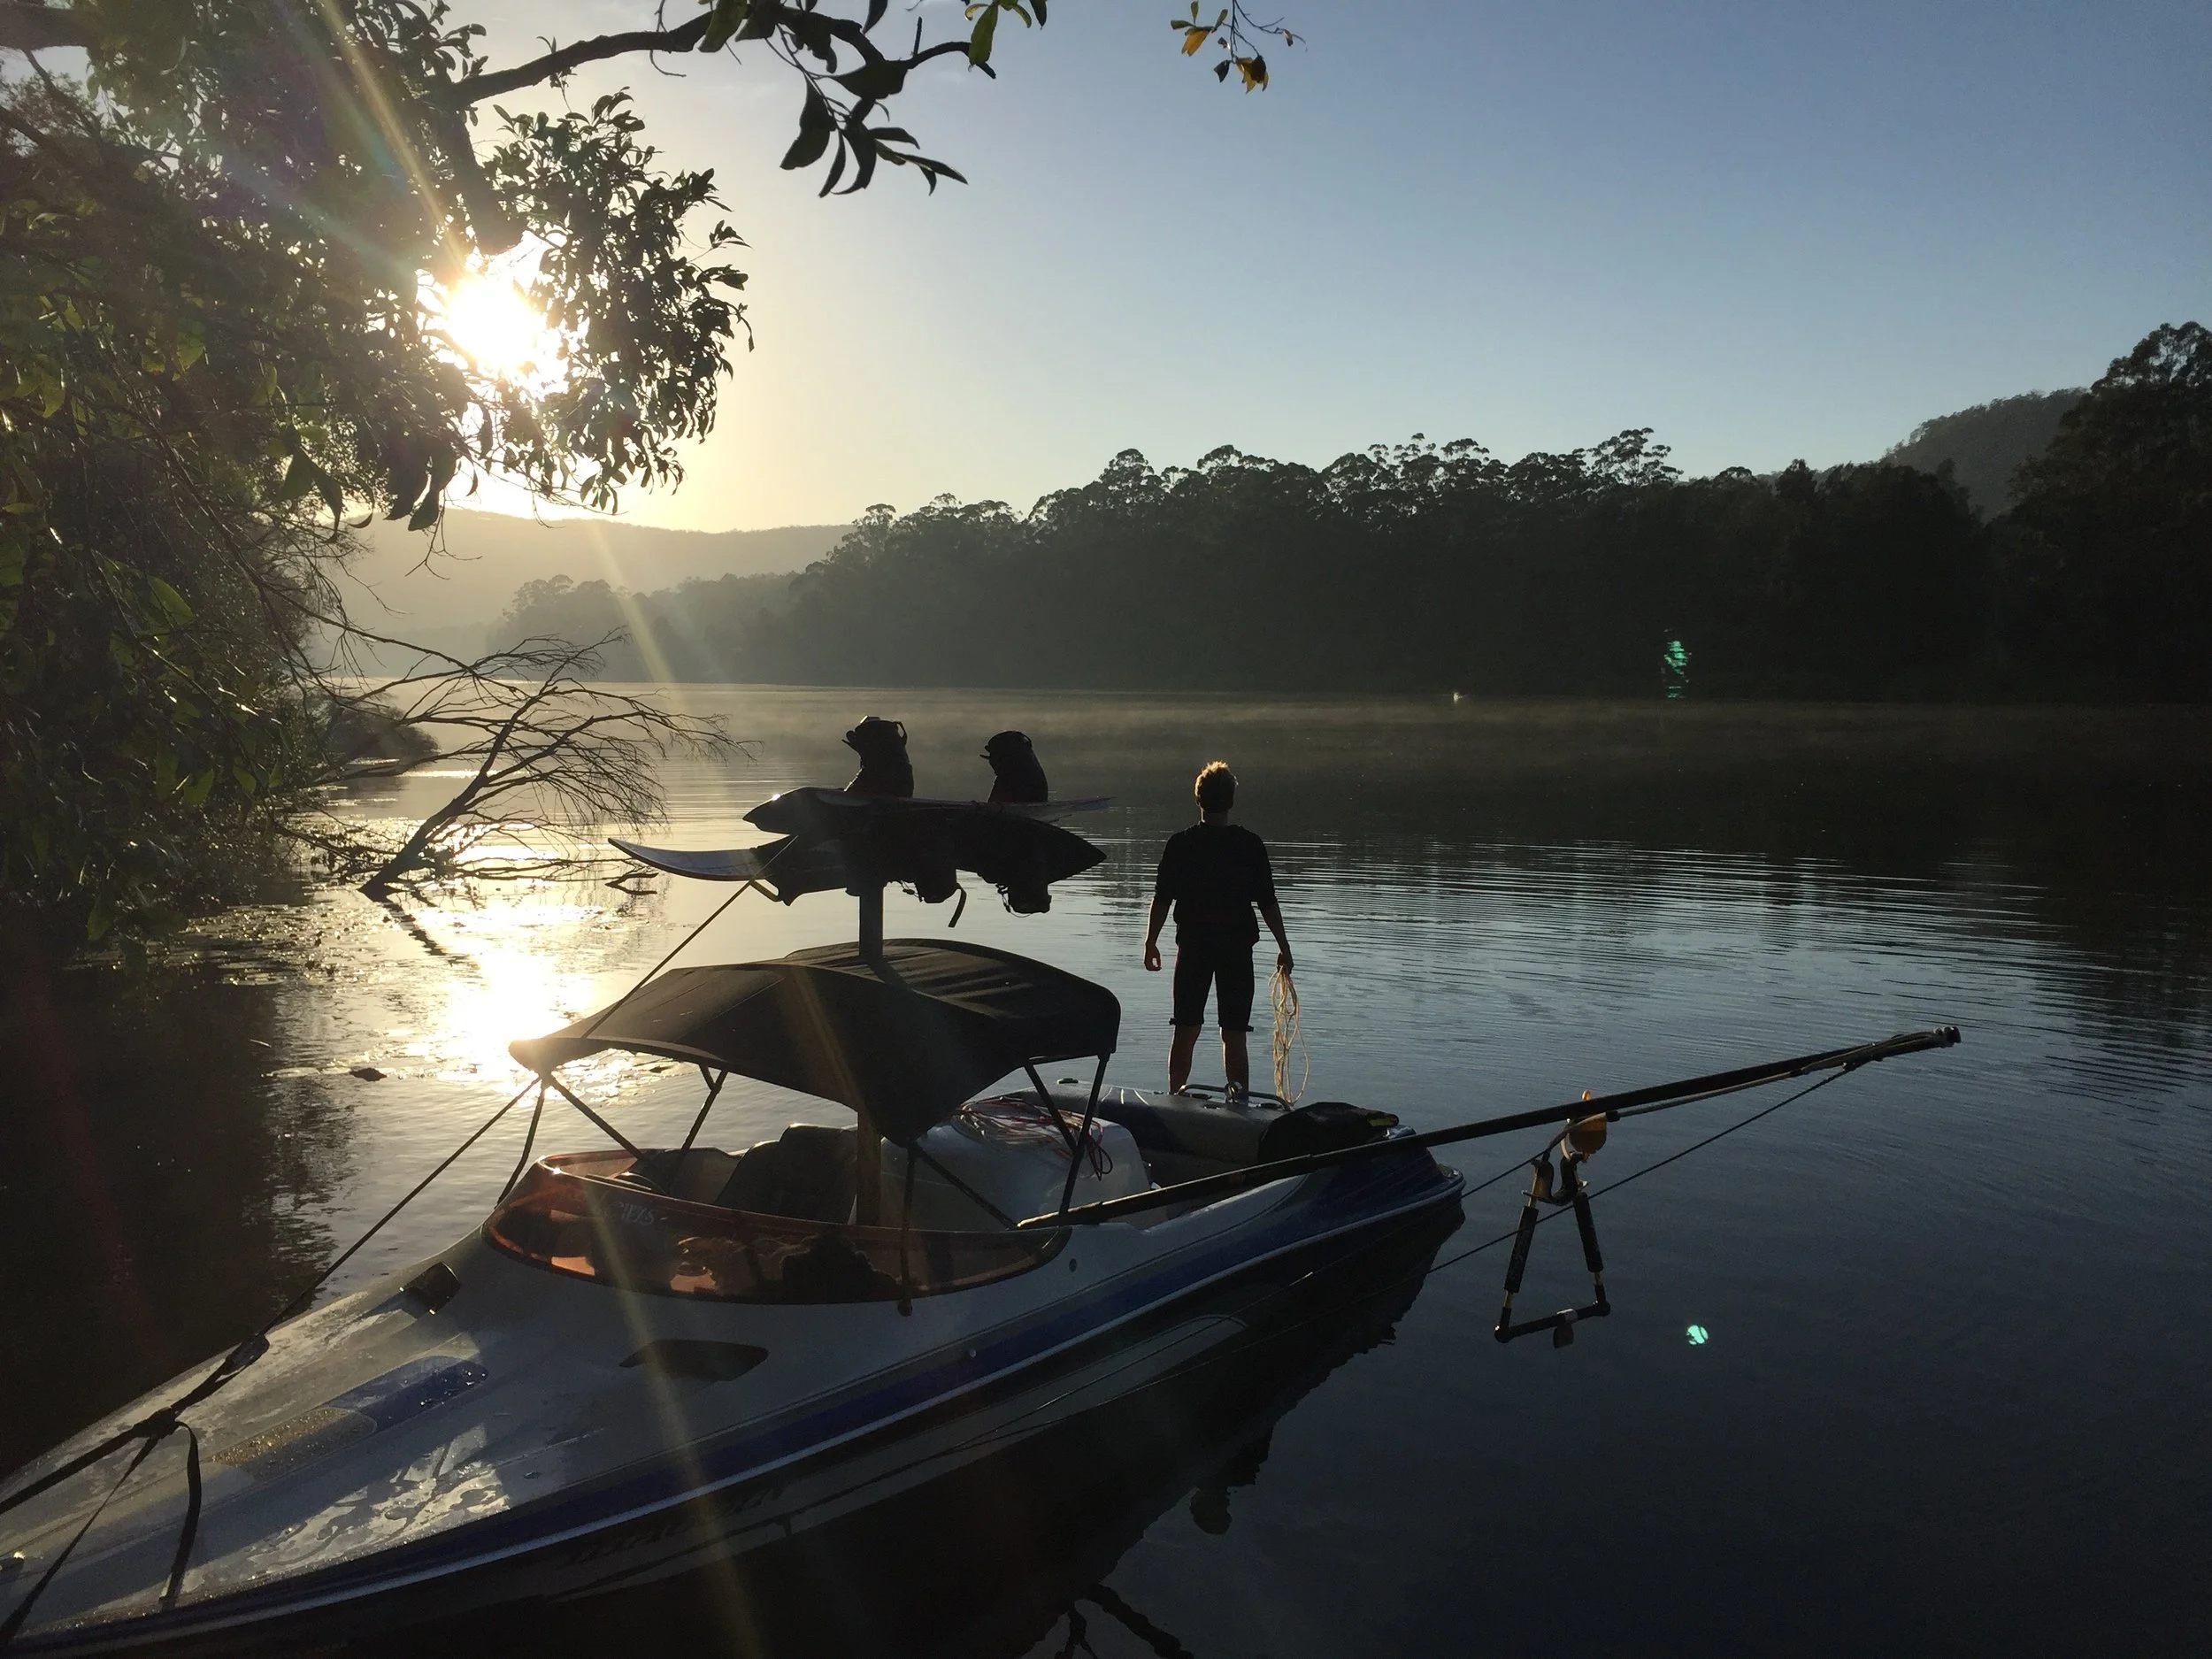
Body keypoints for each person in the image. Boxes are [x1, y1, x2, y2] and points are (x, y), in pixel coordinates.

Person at [1143, 761, 1293, 1099]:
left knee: (1185, 1028)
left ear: (1198, 799)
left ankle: (1175, 1098)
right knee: (1234, 1032)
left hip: (1194, 945)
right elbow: (1268, 903)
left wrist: (1151, 942)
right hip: (1236, 948)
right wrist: (1284, 947)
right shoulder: (1249, 845)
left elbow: (1162, 900)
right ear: (1231, 802)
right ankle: (1238, 1104)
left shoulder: (1180, 844)